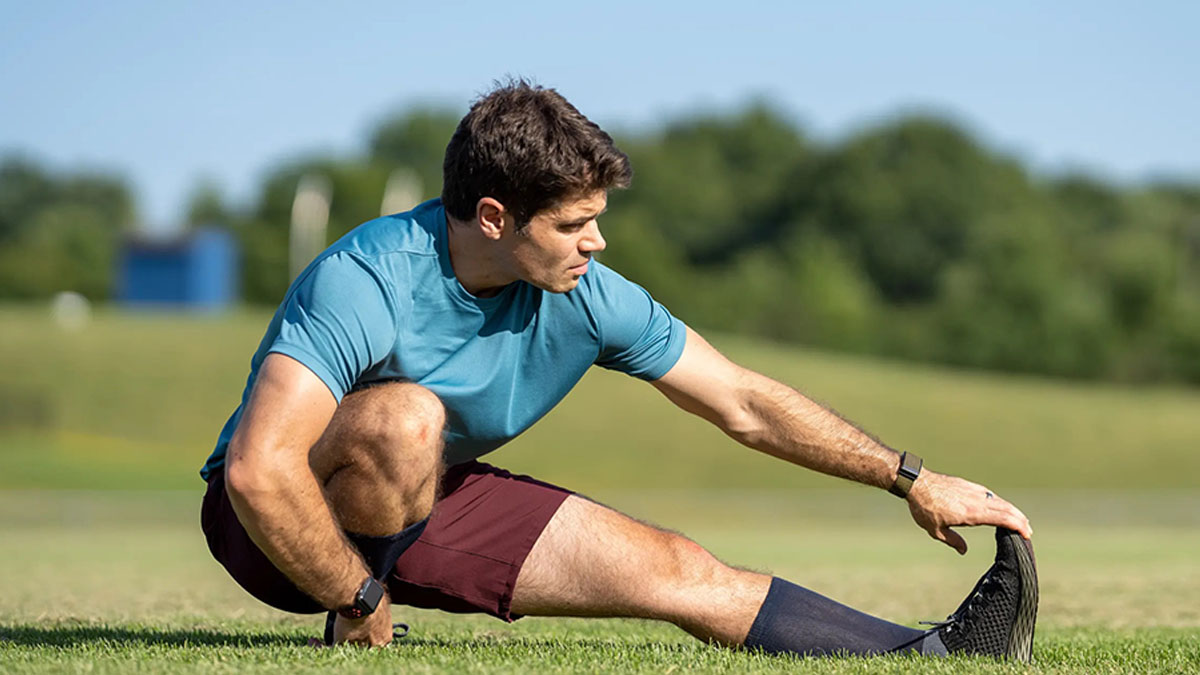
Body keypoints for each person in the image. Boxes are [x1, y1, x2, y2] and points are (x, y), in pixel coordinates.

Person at [199, 80, 1038, 661]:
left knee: (680, 569)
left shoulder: (588, 293)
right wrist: (358, 597)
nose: (596, 243)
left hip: (421, 499)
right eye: (574, 224)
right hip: (269, 527)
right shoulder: (367, 276)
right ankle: (358, 625)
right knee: (404, 416)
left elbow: (742, 400)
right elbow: (260, 469)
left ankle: (930, 650)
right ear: (495, 217)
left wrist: (910, 478)